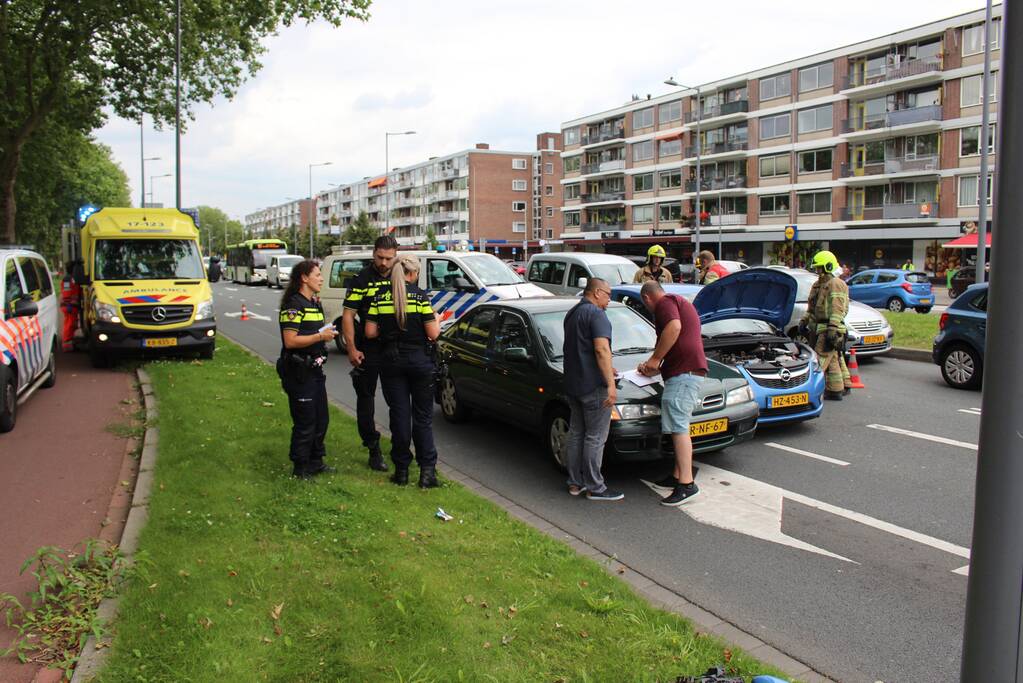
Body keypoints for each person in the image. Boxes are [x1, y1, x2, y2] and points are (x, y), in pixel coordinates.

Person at [364, 254, 441, 488]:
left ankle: (401, 472)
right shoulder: (419, 296)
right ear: (413, 273)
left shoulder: (380, 297)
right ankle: (427, 473)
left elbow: (369, 332)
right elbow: (433, 334)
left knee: (399, 416)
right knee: (423, 418)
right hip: (419, 361)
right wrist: (436, 319)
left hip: (391, 361)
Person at [638, 281, 707, 507]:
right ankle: (677, 475)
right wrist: (652, 363)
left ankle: (686, 484)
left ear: (648, 298)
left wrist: (655, 359)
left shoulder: (665, 302)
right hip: (686, 371)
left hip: (684, 373)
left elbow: (674, 327)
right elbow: (674, 340)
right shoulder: (678, 302)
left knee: (678, 428)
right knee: (680, 425)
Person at [276, 260, 338, 479]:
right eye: (318, 275)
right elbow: (290, 341)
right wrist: (321, 336)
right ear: (304, 278)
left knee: (322, 419)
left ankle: (316, 461)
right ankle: (300, 467)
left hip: (314, 370)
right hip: (298, 372)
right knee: (305, 422)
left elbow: (311, 332)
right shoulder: (294, 305)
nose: (321, 278)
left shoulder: (313, 303)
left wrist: (324, 333)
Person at [562, 278, 622, 501]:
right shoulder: (597, 314)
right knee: (595, 437)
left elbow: (581, 349)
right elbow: (601, 350)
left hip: (573, 384)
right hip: (593, 386)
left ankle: (574, 483)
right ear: (597, 293)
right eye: (608, 294)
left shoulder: (572, 313)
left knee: (577, 433)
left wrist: (606, 367)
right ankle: (595, 487)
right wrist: (610, 383)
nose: (609, 299)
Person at [341, 235, 398, 472]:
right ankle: (373, 449)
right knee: (366, 399)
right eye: (380, 257)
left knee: (398, 399)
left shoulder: (400, 275)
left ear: (396, 255)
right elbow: (347, 315)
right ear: (373, 253)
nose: (384, 263)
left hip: (394, 347)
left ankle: (400, 446)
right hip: (369, 348)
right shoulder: (362, 279)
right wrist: (352, 348)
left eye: (389, 258)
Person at [798, 250, 849, 401]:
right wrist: (804, 321)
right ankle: (837, 388)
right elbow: (812, 308)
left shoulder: (836, 284)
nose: (817, 271)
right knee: (832, 359)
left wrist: (832, 328)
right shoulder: (818, 284)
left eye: (820, 268)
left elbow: (838, 308)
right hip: (819, 328)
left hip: (829, 329)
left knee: (819, 360)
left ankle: (809, 390)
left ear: (828, 266)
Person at [60, 260, 82, 352]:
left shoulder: (71, 279)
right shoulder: (67, 280)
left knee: (72, 325)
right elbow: (66, 293)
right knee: (68, 325)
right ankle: (66, 344)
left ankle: (70, 343)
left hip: (72, 306)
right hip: (69, 306)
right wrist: (69, 304)